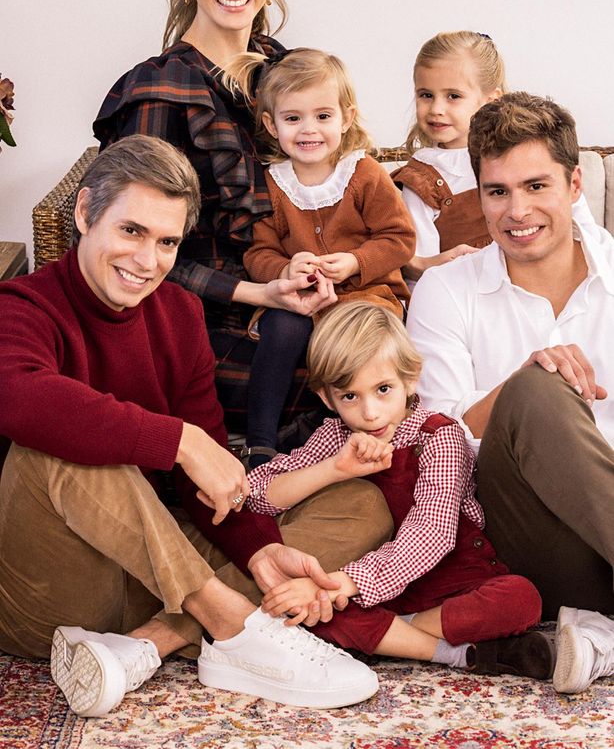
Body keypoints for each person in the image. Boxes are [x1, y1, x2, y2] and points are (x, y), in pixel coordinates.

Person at [0, 135, 393, 717]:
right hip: (54, 590)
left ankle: (151, 643)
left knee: (360, 504)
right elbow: (18, 398)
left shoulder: (179, 315)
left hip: (151, 574)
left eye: (165, 242)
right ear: (84, 213)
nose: (146, 261)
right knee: (59, 448)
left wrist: (258, 552)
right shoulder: (21, 305)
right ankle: (231, 624)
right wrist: (179, 440)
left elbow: (202, 482)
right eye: (130, 231)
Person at [93, 0, 325, 434]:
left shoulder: (286, 73)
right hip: (202, 324)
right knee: (351, 381)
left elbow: (337, 188)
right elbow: (126, 252)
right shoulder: (160, 92)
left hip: (292, 292)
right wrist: (259, 293)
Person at [406, 91, 614, 695]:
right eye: (498, 192)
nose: (517, 210)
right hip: (525, 542)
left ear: (575, 184)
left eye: (536, 186)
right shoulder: (446, 289)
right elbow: (432, 441)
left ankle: (597, 635)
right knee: (534, 392)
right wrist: (522, 385)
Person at [246, 302, 553, 679]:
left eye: (383, 389)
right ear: (327, 398)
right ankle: (451, 652)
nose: (370, 413)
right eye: (349, 397)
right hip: (376, 591)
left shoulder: (439, 437)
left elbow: (431, 534)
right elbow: (255, 493)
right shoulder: (334, 438)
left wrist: (342, 584)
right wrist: (332, 469)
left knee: (522, 599)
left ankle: (394, 634)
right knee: (300, 610)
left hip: (456, 581)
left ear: (410, 380)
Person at [235, 47, 415, 469]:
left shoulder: (364, 174)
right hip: (302, 299)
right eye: (293, 118)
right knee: (282, 325)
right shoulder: (272, 185)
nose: (308, 129)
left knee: (358, 342)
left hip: (365, 295)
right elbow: (257, 250)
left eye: (322, 116)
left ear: (346, 118)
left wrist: (354, 261)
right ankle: (260, 441)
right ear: (271, 124)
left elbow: (399, 237)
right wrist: (285, 269)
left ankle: (353, 426)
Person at [392, 31, 505, 281]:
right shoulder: (422, 177)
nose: (436, 109)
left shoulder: (515, 157)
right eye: (426, 95)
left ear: (489, 101)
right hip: (460, 297)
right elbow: (419, 273)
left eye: (453, 96)